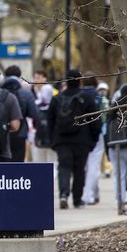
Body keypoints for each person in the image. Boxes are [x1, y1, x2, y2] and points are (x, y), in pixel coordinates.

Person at [47, 69, 102, 209]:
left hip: (61, 140)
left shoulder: (57, 99)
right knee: (79, 169)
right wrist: (94, 139)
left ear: (65, 81)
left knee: (63, 166)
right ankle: (77, 199)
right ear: (80, 81)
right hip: (82, 140)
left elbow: (50, 121)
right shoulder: (87, 99)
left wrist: (52, 140)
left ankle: (63, 195)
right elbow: (94, 121)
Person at [107, 84, 127, 213]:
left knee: (118, 175)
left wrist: (107, 147)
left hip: (114, 146)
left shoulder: (113, 108)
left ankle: (120, 203)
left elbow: (106, 130)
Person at [1, 65, 40, 163]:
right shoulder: (26, 93)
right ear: (19, 76)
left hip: (0, 133)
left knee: (2, 164)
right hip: (20, 134)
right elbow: (34, 114)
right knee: (17, 165)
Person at [81, 74, 107, 205]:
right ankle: (88, 195)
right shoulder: (98, 97)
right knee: (94, 164)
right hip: (96, 134)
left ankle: (94, 193)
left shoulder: (78, 96)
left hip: (80, 134)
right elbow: (103, 116)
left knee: (85, 165)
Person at [30, 81, 57, 169]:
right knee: (52, 163)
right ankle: (51, 181)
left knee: (39, 163)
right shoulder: (56, 105)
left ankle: (40, 181)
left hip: (38, 138)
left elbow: (32, 122)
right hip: (52, 138)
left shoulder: (35, 105)